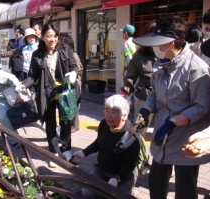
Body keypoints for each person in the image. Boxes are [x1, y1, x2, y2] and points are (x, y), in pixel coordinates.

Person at [133, 15, 210, 199]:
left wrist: (173, 122)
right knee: (156, 185)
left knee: (185, 190)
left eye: (160, 44)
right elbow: (154, 94)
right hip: (162, 138)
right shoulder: (161, 65)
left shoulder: (196, 68)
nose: (156, 49)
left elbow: (201, 106)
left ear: (174, 43)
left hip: (185, 140)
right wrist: (146, 110)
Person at [20, 24, 78, 168]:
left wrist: (74, 73)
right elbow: (33, 75)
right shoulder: (37, 54)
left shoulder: (65, 49)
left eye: (55, 36)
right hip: (46, 93)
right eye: (49, 36)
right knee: (50, 124)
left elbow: (74, 66)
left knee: (65, 122)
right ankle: (53, 152)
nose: (52, 39)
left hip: (64, 91)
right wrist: (24, 84)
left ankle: (66, 149)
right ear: (43, 37)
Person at [71, 95, 140, 197]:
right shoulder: (104, 124)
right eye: (107, 110)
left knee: (115, 196)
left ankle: (129, 189)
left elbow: (130, 165)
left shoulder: (131, 136)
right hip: (102, 170)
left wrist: (118, 178)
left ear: (124, 115)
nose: (108, 115)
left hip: (122, 175)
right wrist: (83, 153)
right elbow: (99, 143)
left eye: (113, 112)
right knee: (87, 193)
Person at [120, 21, 156, 137]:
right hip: (144, 98)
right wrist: (122, 96)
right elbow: (130, 77)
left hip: (166, 102)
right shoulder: (139, 55)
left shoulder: (169, 56)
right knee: (137, 132)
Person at [59, 33, 83, 133]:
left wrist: (74, 78)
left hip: (74, 83)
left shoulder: (72, 54)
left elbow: (79, 68)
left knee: (74, 104)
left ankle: (74, 125)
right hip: (68, 83)